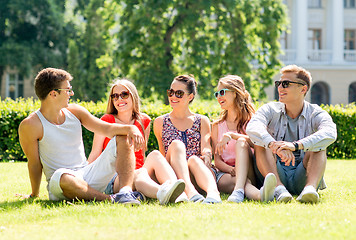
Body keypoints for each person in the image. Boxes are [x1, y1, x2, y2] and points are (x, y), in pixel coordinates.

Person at [18, 68, 145, 205]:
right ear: (54, 94)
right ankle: (111, 199)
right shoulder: (30, 125)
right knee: (63, 177)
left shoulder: (75, 111)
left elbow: (106, 129)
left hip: (86, 173)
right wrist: (34, 194)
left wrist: (130, 128)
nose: (71, 93)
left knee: (122, 137)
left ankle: (125, 193)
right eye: (68, 90)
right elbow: (34, 163)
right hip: (61, 181)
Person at [246, 65, 337, 203]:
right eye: (279, 83)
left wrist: (295, 146)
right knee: (261, 142)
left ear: (303, 89)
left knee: (319, 144)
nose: (280, 88)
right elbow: (253, 127)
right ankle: (279, 189)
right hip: (274, 172)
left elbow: (330, 132)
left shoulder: (316, 112)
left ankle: (310, 189)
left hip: (304, 174)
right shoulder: (269, 109)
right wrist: (273, 144)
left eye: (286, 84)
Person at [87, 79, 185, 205]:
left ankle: (176, 191)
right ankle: (163, 193)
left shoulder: (143, 121)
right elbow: (95, 153)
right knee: (137, 174)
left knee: (154, 154)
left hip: (139, 171)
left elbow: (141, 155)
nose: (119, 99)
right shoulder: (106, 121)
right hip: (115, 177)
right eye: (115, 96)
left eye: (124, 94)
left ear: (133, 95)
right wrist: (86, 181)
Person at [154, 75, 221, 204]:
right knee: (176, 145)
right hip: (174, 176)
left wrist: (207, 156)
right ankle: (190, 192)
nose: (173, 97)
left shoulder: (202, 120)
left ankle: (213, 193)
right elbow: (162, 154)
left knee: (194, 159)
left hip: (197, 172)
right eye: (171, 92)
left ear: (190, 97)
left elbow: (206, 146)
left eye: (179, 93)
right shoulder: (160, 122)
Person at [211, 75, 277, 203]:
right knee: (243, 182)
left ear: (235, 93)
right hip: (227, 173)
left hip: (251, 170)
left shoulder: (253, 120)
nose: (219, 97)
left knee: (241, 142)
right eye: (217, 94)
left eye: (222, 92)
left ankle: (239, 191)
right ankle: (259, 195)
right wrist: (231, 170)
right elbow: (217, 161)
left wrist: (234, 135)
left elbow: (261, 144)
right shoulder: (216, 126)